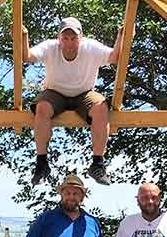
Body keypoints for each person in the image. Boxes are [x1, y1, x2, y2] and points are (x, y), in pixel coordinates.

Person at [23, 17, 124, 186]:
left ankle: (98, 164)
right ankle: (41, 164)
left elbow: (114, 57)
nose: (69, 43)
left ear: (81, 37)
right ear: (59, 38)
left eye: (73, 38)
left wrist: (123, 35)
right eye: (65, 38)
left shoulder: (90, 47)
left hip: (84, 93)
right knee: (42, 107)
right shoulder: (50, 47)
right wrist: (23, 36)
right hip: (55, 92)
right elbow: (27, 56)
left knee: (101, 106)